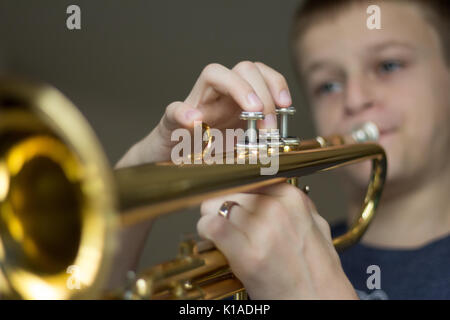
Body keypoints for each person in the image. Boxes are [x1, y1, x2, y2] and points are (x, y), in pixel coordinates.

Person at [116, 0, 450, 299]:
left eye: (388, 65)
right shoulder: (263, 249)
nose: (355, 98)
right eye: (328, 85)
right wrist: (149, 163)